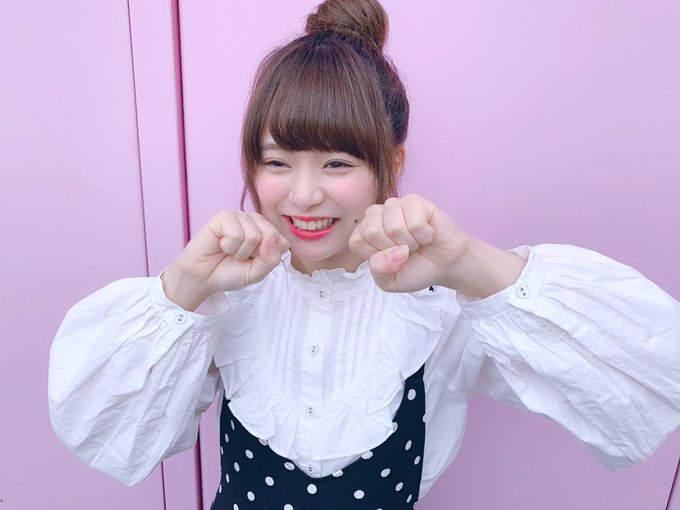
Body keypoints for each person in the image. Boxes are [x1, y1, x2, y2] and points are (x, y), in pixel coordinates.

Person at [48, 0, 680, 508]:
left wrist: (465, 262)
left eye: (337, 163)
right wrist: (185, 286)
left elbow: (649, 380)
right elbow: (105, 435)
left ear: (391, 164)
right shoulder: (228, 296)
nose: (303, 195)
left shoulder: (439, 306)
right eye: (276, 162)